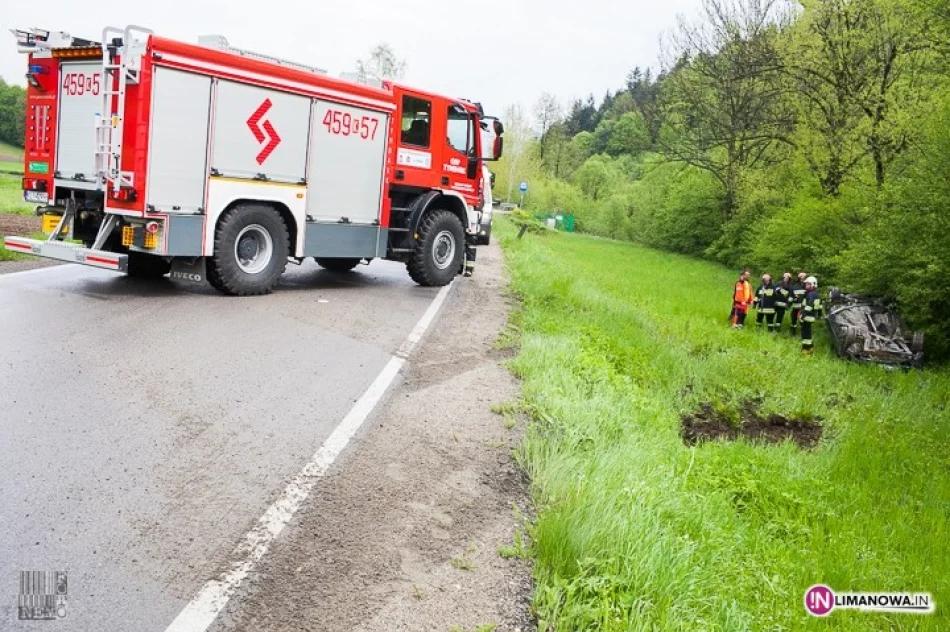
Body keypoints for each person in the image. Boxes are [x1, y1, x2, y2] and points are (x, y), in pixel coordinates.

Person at [801, 276, 823, 354]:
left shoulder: (810, 294)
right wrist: (819, 315)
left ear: (813, 285)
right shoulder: (816, 294)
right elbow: (820, 306)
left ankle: (805, 350)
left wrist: (803, 315)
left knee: (805, 334)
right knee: (808, 333)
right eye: (806, 284)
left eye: (808, 284)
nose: (806, 286)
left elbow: (809, 305)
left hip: (807, 316)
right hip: (812, 316)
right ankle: (811, 348)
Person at [789, 272, 807, 336]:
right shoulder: (794, 287)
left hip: (804, 307)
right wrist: (789, 303)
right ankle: (792, 332)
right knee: (793, 320)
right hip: (795, 307)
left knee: (803, 320)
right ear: (798, 278)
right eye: (801, 277)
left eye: (804, 277)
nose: (802, 278)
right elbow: (791, 297)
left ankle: (804, 333)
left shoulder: (808, 287)